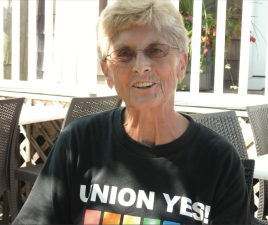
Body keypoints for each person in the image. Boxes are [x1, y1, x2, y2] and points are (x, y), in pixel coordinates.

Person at [13, 0, 251, 224]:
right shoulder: (79, 141)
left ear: (181, 64)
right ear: (107, 71)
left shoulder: (219, 162)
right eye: (124, 53)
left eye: (156, 50)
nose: (140, 66)